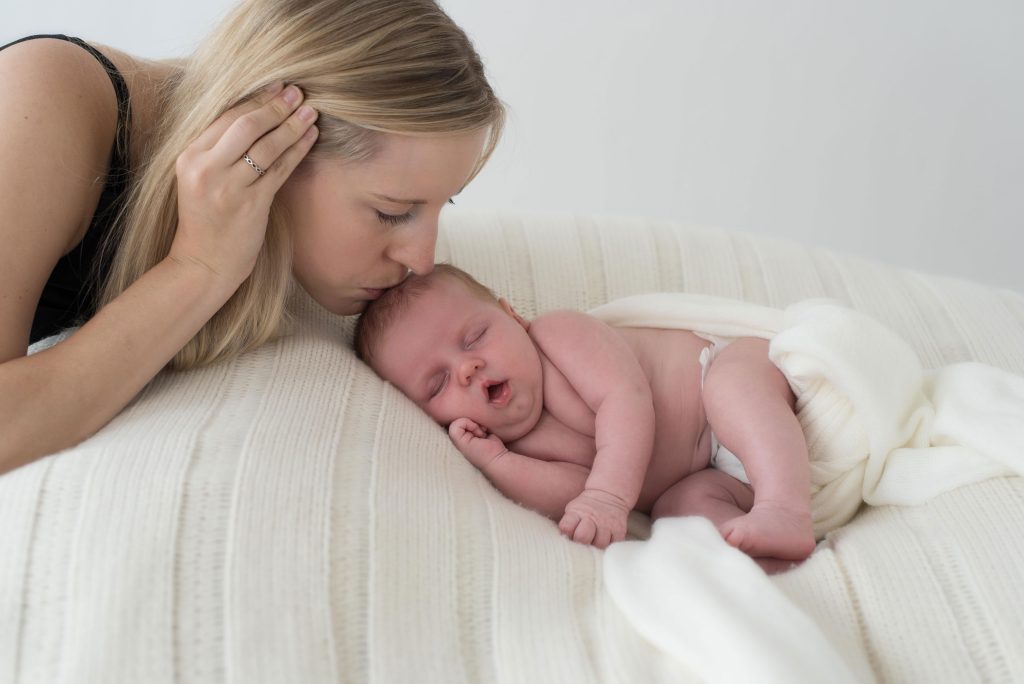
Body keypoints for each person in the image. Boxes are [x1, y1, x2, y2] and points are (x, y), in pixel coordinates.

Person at [0, 0, 504, 475]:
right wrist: (198, 269)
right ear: (272, 142)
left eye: (446, 202)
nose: (422, 259)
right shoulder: (42, 97)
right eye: (392, 212)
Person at [355, 265, 817, 570]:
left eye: (475, 337)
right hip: (705, 473)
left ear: (512, 316)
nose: (466, 368)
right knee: (678, 512)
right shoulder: (516, 446)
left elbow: (626, 399)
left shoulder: (558, 335)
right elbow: (573, 493)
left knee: (732, 392)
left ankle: (784, 507)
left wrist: (608, 497)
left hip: (722, 376)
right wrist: (497, 464)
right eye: (437, 384)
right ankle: (761, 555)